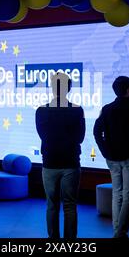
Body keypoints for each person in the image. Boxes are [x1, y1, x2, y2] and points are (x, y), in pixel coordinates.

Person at [35, 72, 86, 239]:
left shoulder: (41, 111)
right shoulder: (77, 110)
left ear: (52, 88)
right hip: (71, 162)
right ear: (69, 88)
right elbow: (80, 138)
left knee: (52, 206)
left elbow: (42, 135)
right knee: (70, 206)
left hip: (49, 163)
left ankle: (53, 242)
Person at [93, 76, 129, 238]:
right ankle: (120, 231)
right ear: (128, 89)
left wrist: (104, 150)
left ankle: (118, 231)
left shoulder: (107, 109)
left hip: (112, 158)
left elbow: (96, 132)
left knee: (118, 193)